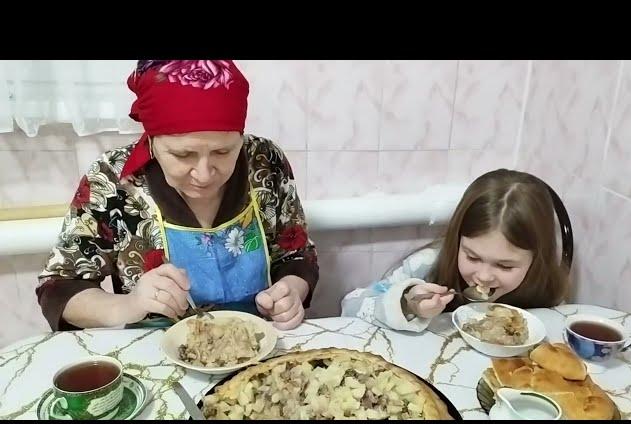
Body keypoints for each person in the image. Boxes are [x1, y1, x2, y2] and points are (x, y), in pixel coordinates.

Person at [36, 60, 318, 331]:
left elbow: (296, 255)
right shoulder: (112, 179)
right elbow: (59, 285)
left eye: (223, 151)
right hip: (156, 353)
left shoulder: (265, 161)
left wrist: (291, 289)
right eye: (183, 154)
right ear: (152, 139)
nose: (204, 174)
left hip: (260, 343)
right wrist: (125, 305)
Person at [341, 169, 569, 331]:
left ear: (536, 260)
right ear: (457, 240)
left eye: (505, 265)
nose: (484, 276)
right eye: (472, 257)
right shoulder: (427, 265)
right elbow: (351, 305)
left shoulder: (544, 287)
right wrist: (407, 303)